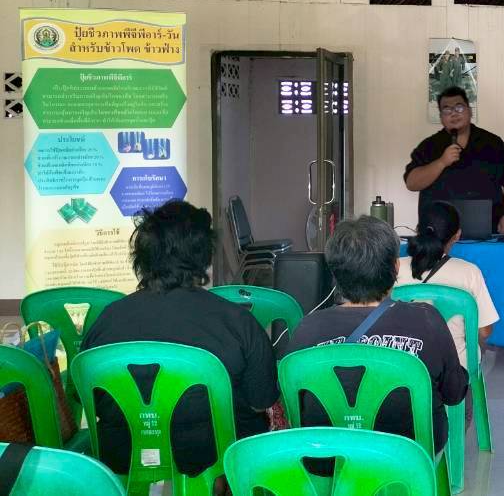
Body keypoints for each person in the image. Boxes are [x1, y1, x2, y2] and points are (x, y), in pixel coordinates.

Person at [81, 200, 278, 477]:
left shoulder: (106, 321)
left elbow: (87, 398)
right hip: (215, 466)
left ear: (142, 256)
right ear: (204, 256)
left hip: (123, 464)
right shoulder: (237, 322)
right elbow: (261, 400)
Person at [283, 216, 467, 454]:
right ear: (396, 267)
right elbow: (453, 394)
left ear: (335, 272)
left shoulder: (307, 328)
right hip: (408, 456)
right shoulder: (426, 320)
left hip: (326, 457)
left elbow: (293, 404)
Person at [404, 86, 504, 235]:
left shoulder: (492, 143)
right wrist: (441, 162)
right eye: (447, 110)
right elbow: (412, 183)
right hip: (438, 233)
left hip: (488, 228)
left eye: (459, 107)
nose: (453, 113)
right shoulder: (429, 146)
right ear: (441, 117)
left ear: (470, 111)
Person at [399, 200, 500, 370]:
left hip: (404, 368)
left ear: (417, 229)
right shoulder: (469, 272)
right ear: (457, 235)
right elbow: (485, 331)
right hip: (454, 370)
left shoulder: (395, 267)